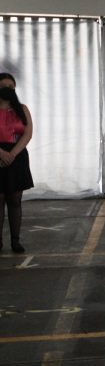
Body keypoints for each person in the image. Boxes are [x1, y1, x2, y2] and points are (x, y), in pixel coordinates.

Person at [0, 73, 33, 253]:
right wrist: (2, 153)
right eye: (3, 86)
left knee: (15, 199)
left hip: (17, 155)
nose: (7, 89)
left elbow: (27, 133)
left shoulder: (22, 109)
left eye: (10, 86)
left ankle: (15, 240)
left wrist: (11, 154)